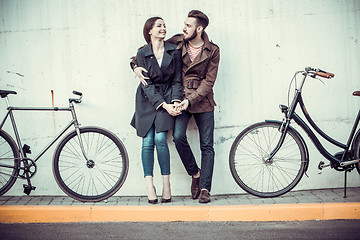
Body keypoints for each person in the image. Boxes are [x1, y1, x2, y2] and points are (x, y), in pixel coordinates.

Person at [131, 10, 220, 203]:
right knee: (179, 137)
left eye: (188, 25)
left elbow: (209, 81)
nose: (183, 28)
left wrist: (190, 99)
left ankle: (205, 187)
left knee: (207, 145)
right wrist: (134, 66)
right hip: (179, 99)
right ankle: (195, 173)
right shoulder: (178, 41)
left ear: (199, 29)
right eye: (184, 24)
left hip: (202, 100)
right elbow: (147, 49)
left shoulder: (212, 50)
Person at [130, 17, 183, 204]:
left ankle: (166, 185)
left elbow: (177, 79)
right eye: (159, 26)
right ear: (149, 31)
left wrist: (175, 100)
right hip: (147, 99)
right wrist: (164, 105)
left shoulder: (173, 51)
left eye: (164, 25)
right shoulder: (142, 53)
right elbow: (147, 84)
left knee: (161, 139)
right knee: (147, 141)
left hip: (168, 96)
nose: (163, 28)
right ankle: (149, 186)